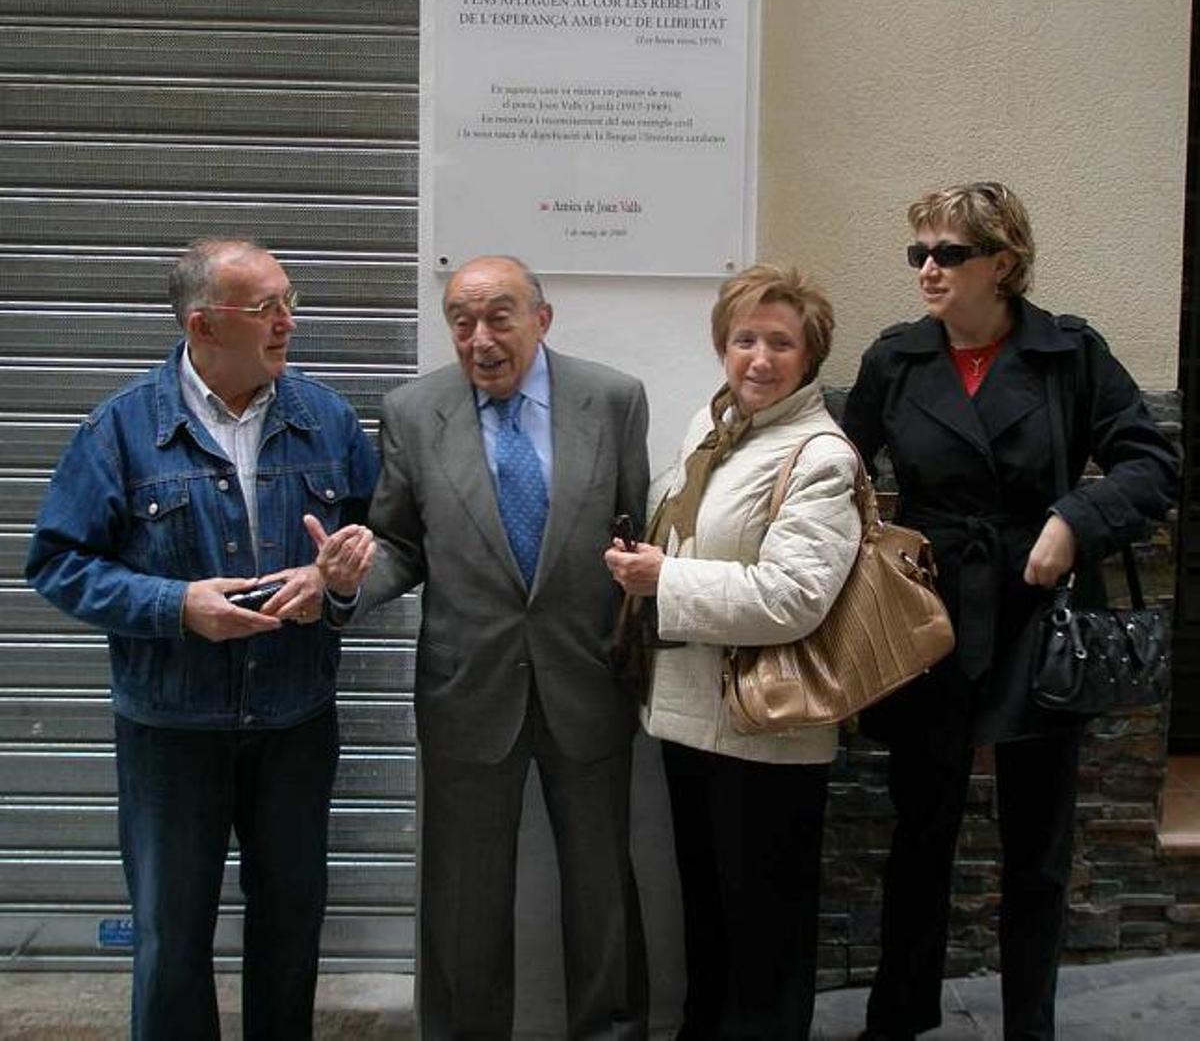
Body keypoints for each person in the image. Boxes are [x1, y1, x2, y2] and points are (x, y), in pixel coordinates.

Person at [841, 182, 1178, 1041]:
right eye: (917, 252)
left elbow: (1150, 462)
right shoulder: (897, 359)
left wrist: (1076, 519)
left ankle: (1031, 1022)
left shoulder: (1069, 354)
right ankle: (900, 1013)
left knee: (1038, 848)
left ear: (1004, 261)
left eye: (948, 253)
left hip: (1041, 607)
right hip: (929, 615)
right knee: (921, 830)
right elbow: (837, 469)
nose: (927, 270)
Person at [24, 239, 380, 1040]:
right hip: (170, 730)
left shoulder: (324, 420)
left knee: (291, 925)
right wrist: (176, 604)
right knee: (172, 936)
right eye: (267, 309)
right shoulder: (120, 430)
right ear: (202, 325)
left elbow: (380, 540)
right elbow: (56, 563)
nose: (289, 323)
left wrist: (335, 580)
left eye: (290, 301)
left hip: (294, 721)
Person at [311, 255, 650, 1039]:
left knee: (602, 888)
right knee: (464, 899)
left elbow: (633, 531)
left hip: (587, 679)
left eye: (499, 316)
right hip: (468, 688)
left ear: (542, 317)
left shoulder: (612, 400)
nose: (479, 338)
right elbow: (398, 543)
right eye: (461, 321)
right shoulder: (410, 410)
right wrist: (347, 582)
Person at [604, 264, 862, 1039]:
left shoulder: (820, 456)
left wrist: (666, 578)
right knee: (708, 918)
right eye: (744, 338)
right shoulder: (713, 428)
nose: (759, 357)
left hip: (768, 732)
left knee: (767, 938)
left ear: (809, 356)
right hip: (691, 716)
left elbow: (793, 599)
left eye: (780, 342)